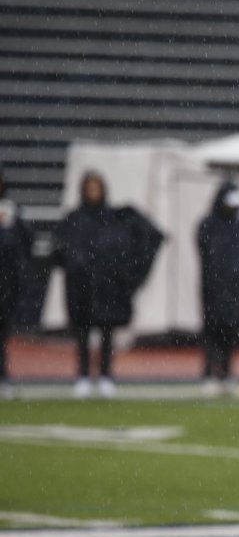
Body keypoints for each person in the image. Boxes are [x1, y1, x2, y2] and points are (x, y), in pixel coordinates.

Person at [54, 171, 163, 399]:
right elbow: (60, 252)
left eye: (97, 188)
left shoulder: (114, 218)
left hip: (107, 290)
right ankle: (83, 376)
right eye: (90, 189)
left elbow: (147, 238)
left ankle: (106, 376)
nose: (94, 193)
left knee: (106, 335)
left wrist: (128, 276)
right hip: (81, 290)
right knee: (83, 335)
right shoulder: (74, 219)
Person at [197, 180, 239, 396]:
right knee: (213, 332)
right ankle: (210, 374)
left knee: (230, 334)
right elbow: (207, 253)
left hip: (237, 291)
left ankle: (227, 374)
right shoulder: (208, 225)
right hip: (215, 289)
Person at [0, 168, 33, 400]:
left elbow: (25, 246)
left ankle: (3, 376)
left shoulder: (12, 213)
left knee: (3, 334)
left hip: (5, 284)